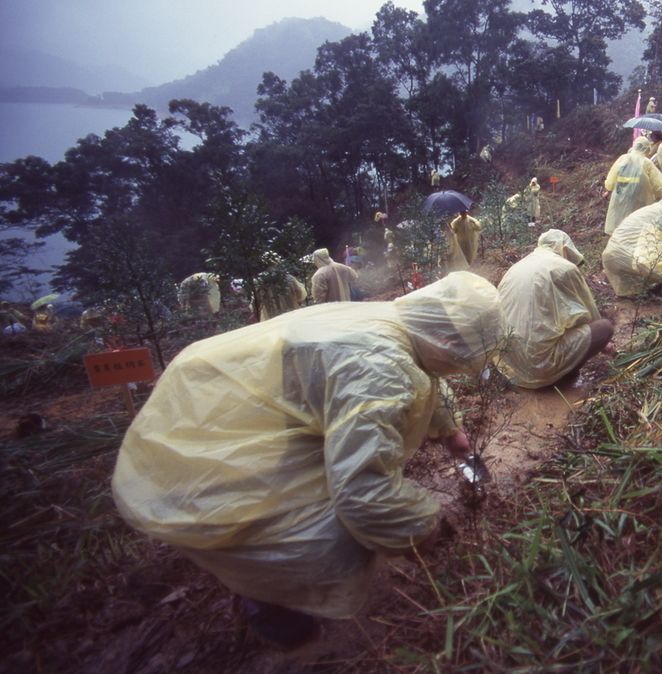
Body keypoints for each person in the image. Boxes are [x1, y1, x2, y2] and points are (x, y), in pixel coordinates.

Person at [112, 272, 501, 648]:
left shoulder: (393, 323)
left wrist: (449, 427)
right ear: (447, 339)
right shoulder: (379, 368)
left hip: (233, 417)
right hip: (197, 453)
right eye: (463, 352)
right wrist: (419, 532)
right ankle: (267, 600)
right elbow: (363, 491)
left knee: (319, 489)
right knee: (326, 538)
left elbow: (423, 366)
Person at [496, 230, 613, 389]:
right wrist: (604, 342)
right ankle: (564, 376)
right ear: (565, 248)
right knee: (604, 327)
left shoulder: (516, 267)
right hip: (538, 368)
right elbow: (587, 311)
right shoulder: (565, 268)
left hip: (507, 363)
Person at [603, 195, 662, 298]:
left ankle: (632, 294)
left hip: (609, 257)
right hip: (629, 259)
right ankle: (653, 292)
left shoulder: (646, 210)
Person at [602, 136, 662, 234]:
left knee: (620, 219)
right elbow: (656, 183)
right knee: (636, 221)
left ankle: (620, 238)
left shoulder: (623, 159)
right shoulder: (646, 162)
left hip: (620, 195)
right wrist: (661, 194)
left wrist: (608, 190)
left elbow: (612, 177)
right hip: (639, 197)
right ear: (647, 148)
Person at [251, 254, 307, 322]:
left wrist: (254, 312)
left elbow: (256, 302)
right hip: (290, 313)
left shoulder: (259, 280)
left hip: (270, 316)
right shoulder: (287, 277)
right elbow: (300, 295)